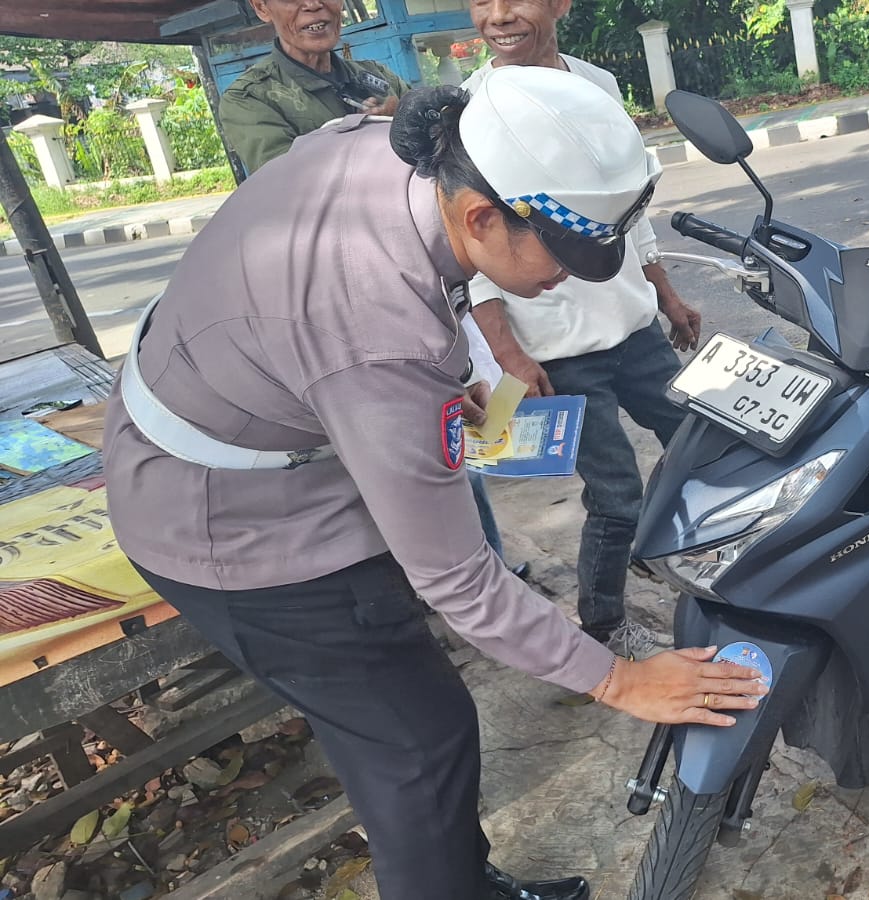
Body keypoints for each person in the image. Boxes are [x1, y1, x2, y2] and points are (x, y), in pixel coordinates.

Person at [103, 68, 767, 900]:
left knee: (419, 720)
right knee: (416, 748)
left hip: (255, 434)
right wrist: (619, 679)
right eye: (564, 254)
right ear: (481, 216)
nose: (570, 277)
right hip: (234, 527)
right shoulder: (376, 331)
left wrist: (438, 392)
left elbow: (353, 340)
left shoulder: (405, 155)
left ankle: (464, 882)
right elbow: (458, 580)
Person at [219, 0, 526, 578]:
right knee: (382, 452)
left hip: (414, 285)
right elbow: (295, 189)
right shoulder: (253, 99)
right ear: (262, 7)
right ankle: (431, 579)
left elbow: (445, 157)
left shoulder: (374, 78)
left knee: (449, 434)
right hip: (334, 306)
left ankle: (484, 569)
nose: (315, 5)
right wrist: (387, 133)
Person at [462, 0, 703, 659]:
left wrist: (665, 294)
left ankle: (673, 549)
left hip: (634, 327)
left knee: (698, 446)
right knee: (616, 493)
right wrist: (509, 355)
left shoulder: (595, 84)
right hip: (558, 350)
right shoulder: (470, 110)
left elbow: (631, 208)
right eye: (480, 1)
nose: (498, 16)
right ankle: (604, 624)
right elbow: (472, 254)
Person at [219, 0, 407, 176]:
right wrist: (374, 134)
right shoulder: (249, 98)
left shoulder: (379, 75)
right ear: (261, 7)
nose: (313, 4)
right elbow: (292, 182)